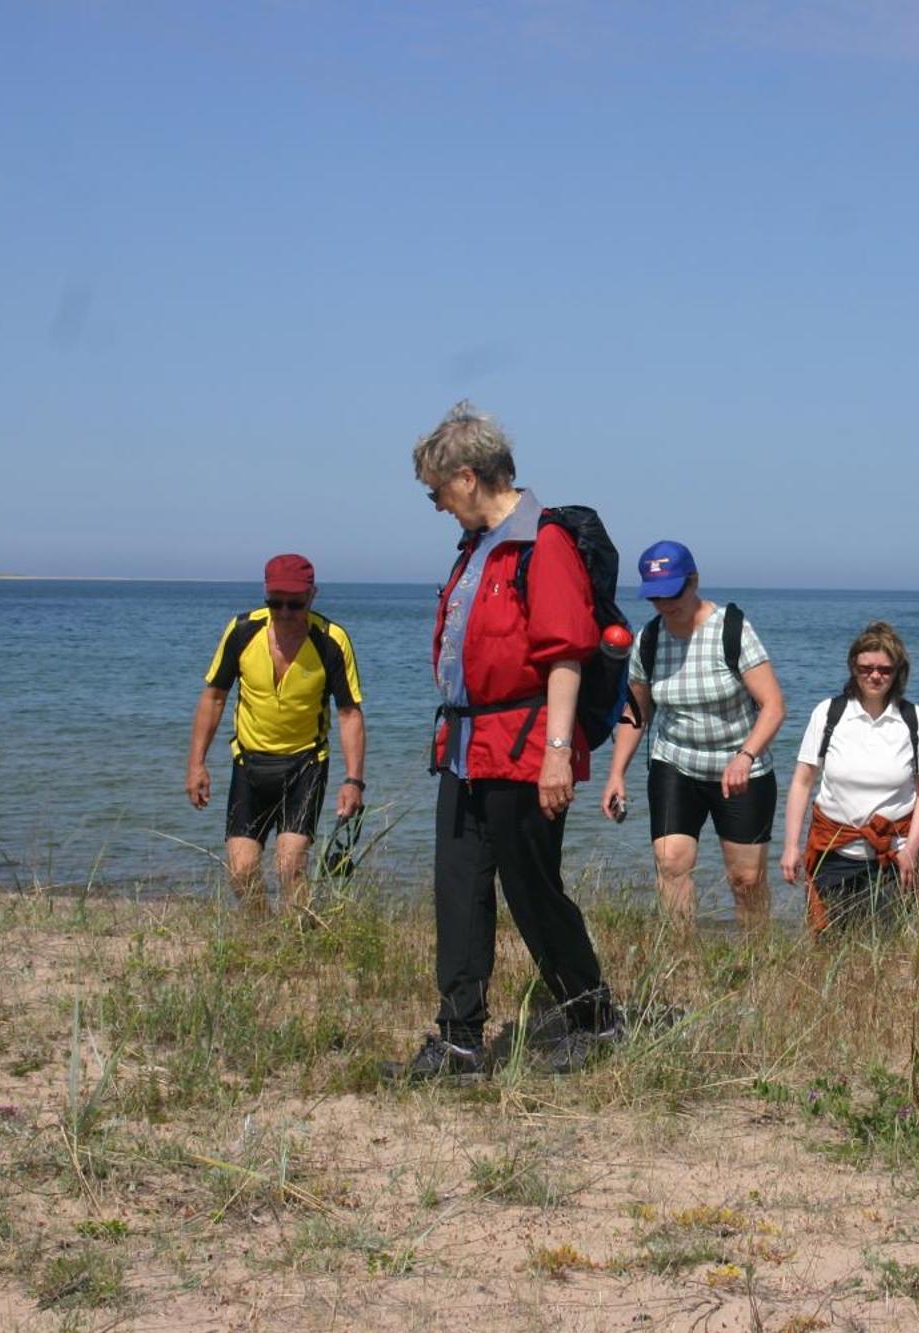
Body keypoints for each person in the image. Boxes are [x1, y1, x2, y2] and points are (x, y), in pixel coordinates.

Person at [395, 401, 619, 1082]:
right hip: (465, 745)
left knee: (531, 889)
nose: (436, 506)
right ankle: (459, 1040)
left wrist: (557, 751)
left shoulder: (542, 542)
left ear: (467, 476)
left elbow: (564, 655)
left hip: (524, 746)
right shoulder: (475, 548)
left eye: (436, 491)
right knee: (458, 889)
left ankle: (592, 1017)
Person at [600, 540, 787, 928]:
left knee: (746, 879)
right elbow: (636, 713)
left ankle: (757, 961)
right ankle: (682, 962)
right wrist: (616, 774)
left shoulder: (732, 629)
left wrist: (746, 754)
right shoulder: (649, 640)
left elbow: (773, 707)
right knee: (670, 863)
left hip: (740, 771)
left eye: (674, 592)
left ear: (694, 580)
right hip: (675, 765)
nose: (667, 605)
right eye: (656, 597)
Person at [184, 554, 367, 916]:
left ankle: (300, 941)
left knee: (290, 865)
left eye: (295, 603)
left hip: (306, 765)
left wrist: (353, 781)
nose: (284, 612)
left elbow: (349, 714)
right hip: (249, 764)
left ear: (313, 596)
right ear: (265, 595)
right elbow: (214, 697)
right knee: (241, 871)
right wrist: (196, 765)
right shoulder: (241, 631)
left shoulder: (332, 640)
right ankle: (264, 933)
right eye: (275, 602)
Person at [779, 621, 919, 932]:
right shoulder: (828, 714)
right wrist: (791, 845)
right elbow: (803, 781)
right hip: (834, 852)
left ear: (898, 672)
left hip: (893, 855)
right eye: (866, 667)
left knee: (889, 943)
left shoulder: (914, 720)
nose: (874, 676)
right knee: (832, 945)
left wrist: (912, 849)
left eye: (885, 669)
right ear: (853, 667)